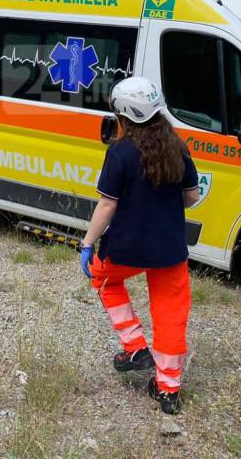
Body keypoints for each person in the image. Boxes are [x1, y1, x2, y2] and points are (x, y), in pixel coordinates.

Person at [79, 77, 200, 416]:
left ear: (124, 115)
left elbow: (107, 205)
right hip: (170, 249)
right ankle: (168, 390)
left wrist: (88, 244)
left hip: (125, 248)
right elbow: (192, 196)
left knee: (103, 279)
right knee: (171, 317)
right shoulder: (178, 146)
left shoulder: (120, 151)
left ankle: (134, 346)